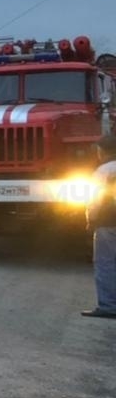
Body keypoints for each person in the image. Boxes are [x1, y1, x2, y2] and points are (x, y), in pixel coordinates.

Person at [83, 134, 116, 318]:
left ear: (102, 151)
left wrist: (90, 219)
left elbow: (95, 199)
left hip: (108, 221)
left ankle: (109, 305)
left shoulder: (103, 171)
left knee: (106, 262)